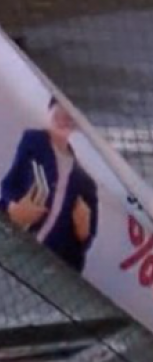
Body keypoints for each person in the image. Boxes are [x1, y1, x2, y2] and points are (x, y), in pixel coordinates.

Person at [1, 98, 99, 273]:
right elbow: (9, 184)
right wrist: (13, 208)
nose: (64, 120)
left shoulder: (85, 181)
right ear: (50, 111)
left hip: (51, 262)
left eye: (70, 117)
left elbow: (86, 237)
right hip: (18, 242)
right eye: (60, 114)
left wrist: (83, 229)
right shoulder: (34, 141)